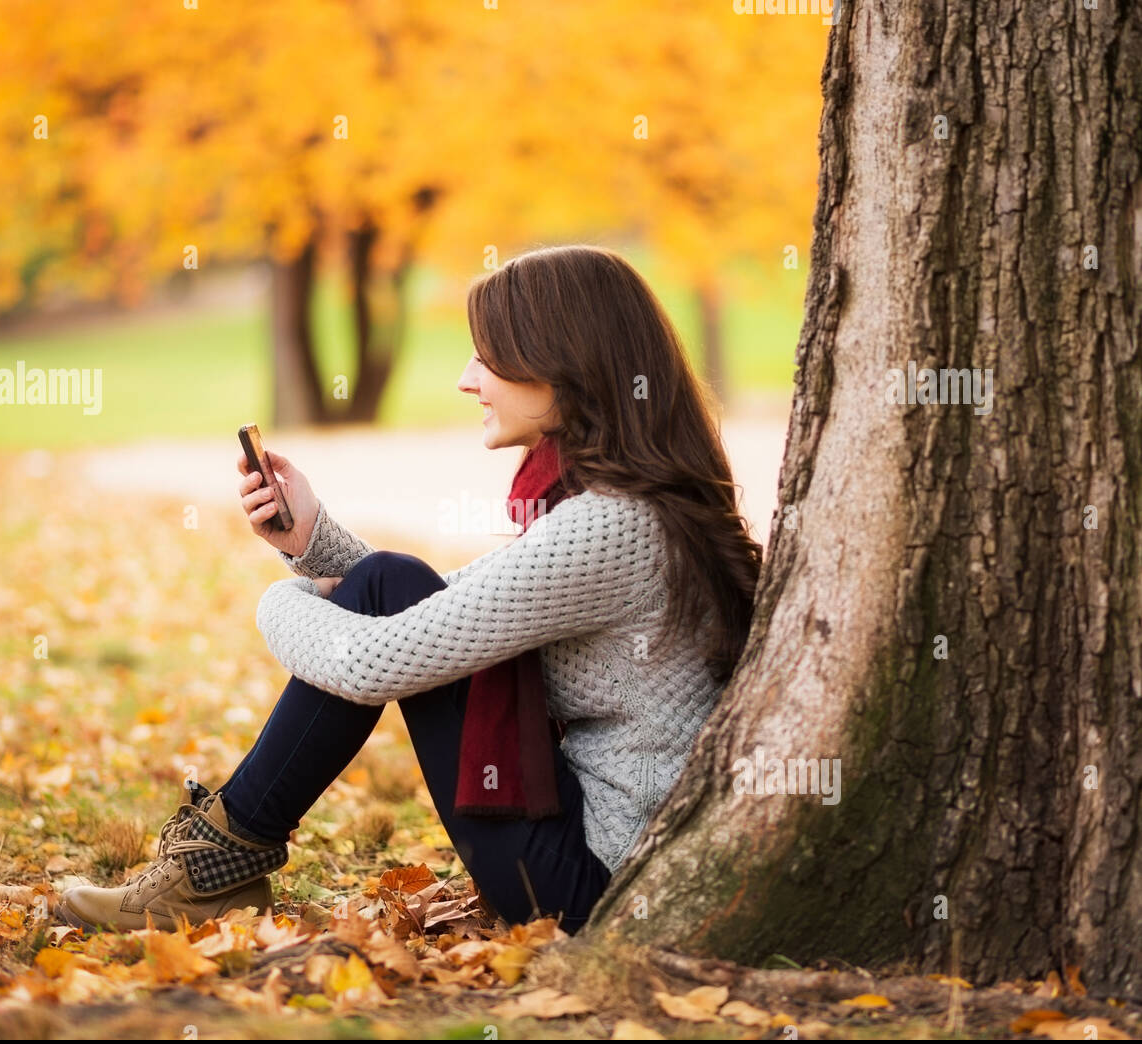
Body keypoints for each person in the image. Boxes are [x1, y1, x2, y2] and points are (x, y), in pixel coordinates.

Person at [57, 245, 762, 937]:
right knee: (388, 578)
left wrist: (279, 600)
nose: (466, 379)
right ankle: (219, 862)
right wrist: (313, 544)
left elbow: (376, 662)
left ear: (562, 365)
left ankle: (213, 869)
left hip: (588, 891)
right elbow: (441, 610)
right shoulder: (633, 507)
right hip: (595, 861)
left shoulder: (609, 526)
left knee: (384, 591)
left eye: (488, 355)